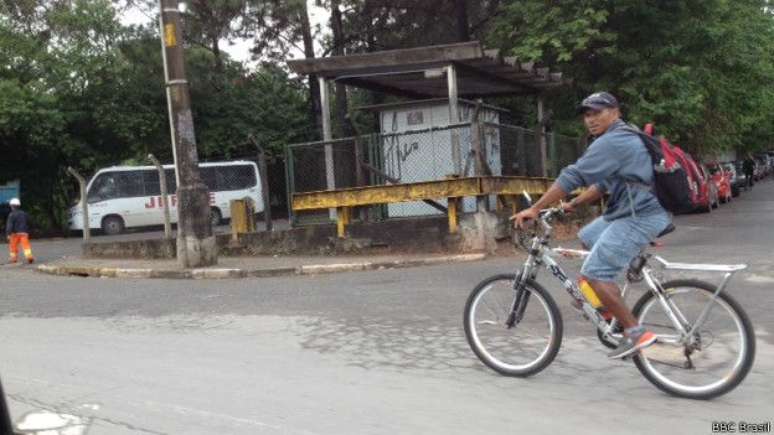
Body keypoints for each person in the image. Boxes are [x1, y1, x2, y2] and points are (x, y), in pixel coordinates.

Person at [512, 91, 671, 359]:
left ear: (615, 112)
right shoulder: (624, 135)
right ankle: (605, 307)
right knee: (588, 235)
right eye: (587, 114)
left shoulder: (613, 141)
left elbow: (573, 175)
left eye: (597, 112)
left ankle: (635, 333)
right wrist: (575, 204)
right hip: (628, 212)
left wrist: (535, 208)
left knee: (597, 272)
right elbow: (602, 184)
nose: (591, 119)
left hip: (637, 215)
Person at [5, 198, 34, 264]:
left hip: (15, 234)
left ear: (12, 206)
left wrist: (8, 234)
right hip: (24, 233)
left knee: (13, 246)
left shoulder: (11, 215)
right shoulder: (24, 214)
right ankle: (29, 257)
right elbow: (30, 222)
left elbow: (10, 225)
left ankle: (13, 259)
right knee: (26, 246)